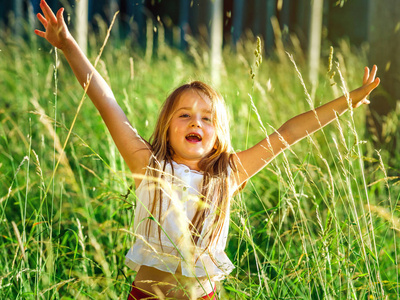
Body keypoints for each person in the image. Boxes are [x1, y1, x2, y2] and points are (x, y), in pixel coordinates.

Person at [34, 0, 380, 299]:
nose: (195, 123)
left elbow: (288, 133)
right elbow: (106, 101)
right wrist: (67, 45)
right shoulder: (149, 165)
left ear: (219, 133)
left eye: (206, 118)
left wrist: (347, 103)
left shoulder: (228, 173)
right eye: (184, 115)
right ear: (167, 127)